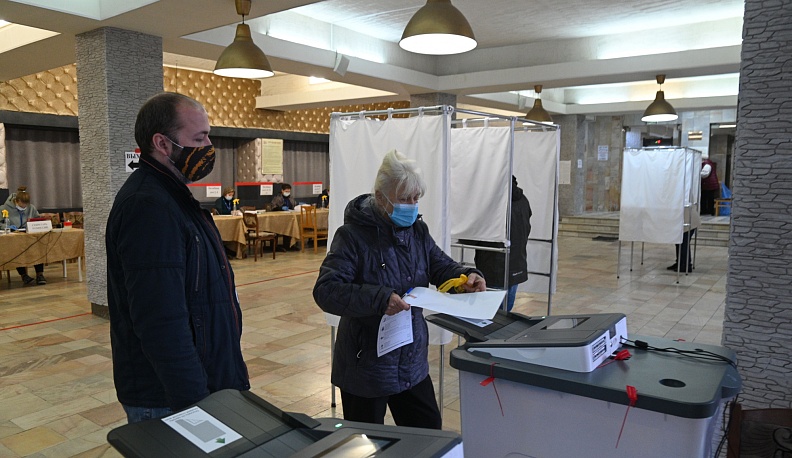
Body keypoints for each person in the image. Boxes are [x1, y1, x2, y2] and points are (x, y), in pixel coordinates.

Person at [313, 150, 486, 430]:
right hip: (366, 367)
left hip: (411, 361)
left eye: (416, 198)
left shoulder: (417, 231)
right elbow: (326, 290)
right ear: (382, 198)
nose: (412, 205)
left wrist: (466, 276)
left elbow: (439, 264)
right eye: (405, 199)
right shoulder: (352, 236)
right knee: (367, 444)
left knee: (428, 437)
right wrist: (380, 299)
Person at [106, 92, 249, 424]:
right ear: (163, 143)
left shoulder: (173, 196)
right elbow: (161, 321)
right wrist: (196, 402)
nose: (209, 146)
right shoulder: (148, 205)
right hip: (172, 398)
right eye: (199, 138)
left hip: (205, 384)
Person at [464, 176, 532, 311]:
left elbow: (474, 235)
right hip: (517, 265)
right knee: (506, 311)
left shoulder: (494, 203)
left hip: (494, 268)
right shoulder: (523, 200)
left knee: (489, 315)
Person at [0, 186, 47, 285]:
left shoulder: (31, 208)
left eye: (26, 205)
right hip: (14, 238)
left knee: (37, 249)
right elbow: (0, 223)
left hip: (29, 236)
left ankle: (39, 274)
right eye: (22, 205)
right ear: (16, 201)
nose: (24, 207)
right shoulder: (3, 208)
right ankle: (23, 275)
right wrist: (9, 227)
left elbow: (37, 219)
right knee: (17, 251)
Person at [270, 183, 298, 250]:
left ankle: (289, 245)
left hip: (289, 217)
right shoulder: (277, 198)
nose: (287, 193)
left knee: (291, 226)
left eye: (289, 191)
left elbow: (294, 205)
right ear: (282, 190)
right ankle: (275, 246)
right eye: (286, 191)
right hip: (278, 219)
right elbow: (273, 207)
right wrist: (281, 208)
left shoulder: (290, 198)